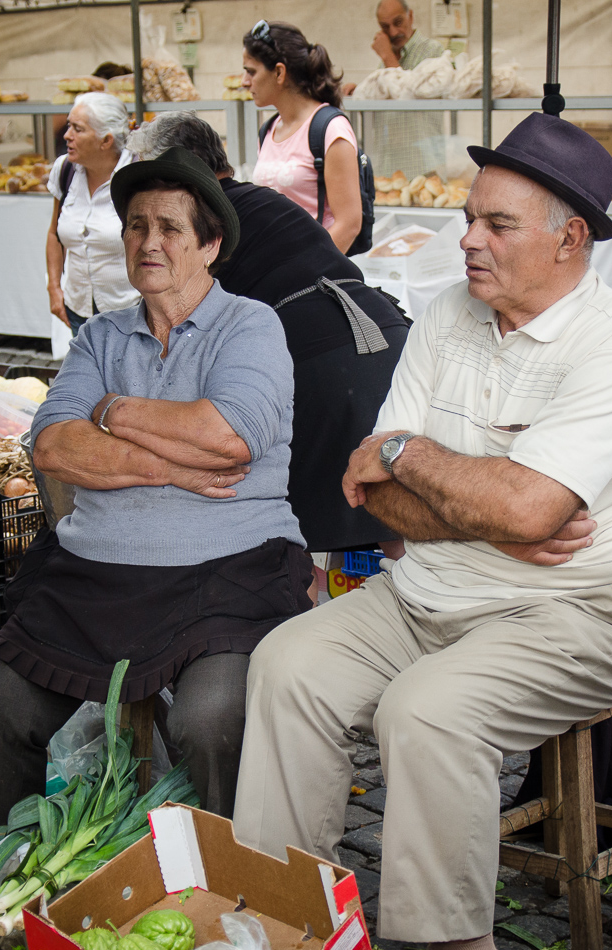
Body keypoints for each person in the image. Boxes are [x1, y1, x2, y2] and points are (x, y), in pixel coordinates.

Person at [233, 114, 612, 950]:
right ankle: (297, 929)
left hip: (574, 615)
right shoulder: (445, 317)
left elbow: (526, 503)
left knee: (427, 712)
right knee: (286, 663)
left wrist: (417, 461)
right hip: (424, 593)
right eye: (470, 217)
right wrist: (481, 505)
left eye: (495, 224)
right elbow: (374, 489)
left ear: (569, 239)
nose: (465, 239)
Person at [0, 147, 311, 881]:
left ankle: (230, 888)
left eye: (171, 228)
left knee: (209, 720)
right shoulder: (102, 337)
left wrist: (113, 415)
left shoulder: (251, 327)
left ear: (210, 245)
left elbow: (230, 434)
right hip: (97, 576)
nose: (148, 242)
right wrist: (171, 459)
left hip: (229, 572)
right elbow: (51, 446)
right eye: (137, 225)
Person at [127, 112, 408, 559]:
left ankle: (313, 620)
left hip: (325, 357)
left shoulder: (202, 223)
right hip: (384, 338)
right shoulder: (260, 201)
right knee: (388, 514)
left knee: (302, 531)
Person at [244, 20, 364, 255]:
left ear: (279, 72)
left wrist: (303, 274)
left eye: (251, 71)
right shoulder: (269, 129)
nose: (244, 82)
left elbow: (349, 224)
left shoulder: (330, 129)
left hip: (314, 277)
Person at [47, 91, 137, 335]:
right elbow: (54, 234)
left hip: (132, 311)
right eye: (68, 126)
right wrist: (54, 288)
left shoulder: (138, 174)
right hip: (78, 309)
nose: (67, 136)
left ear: (105, 140)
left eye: (78, 129)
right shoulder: (64, 169)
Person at [342, 0, 448, 180]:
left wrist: (388, 56)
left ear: (411, 16)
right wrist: (361, 91)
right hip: (389, 164)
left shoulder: (432, 50)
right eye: (385, 27)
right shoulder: (386, 60)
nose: (393, 32)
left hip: (423, 164)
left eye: (398, 22)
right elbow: (385, 100)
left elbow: (409, 95)